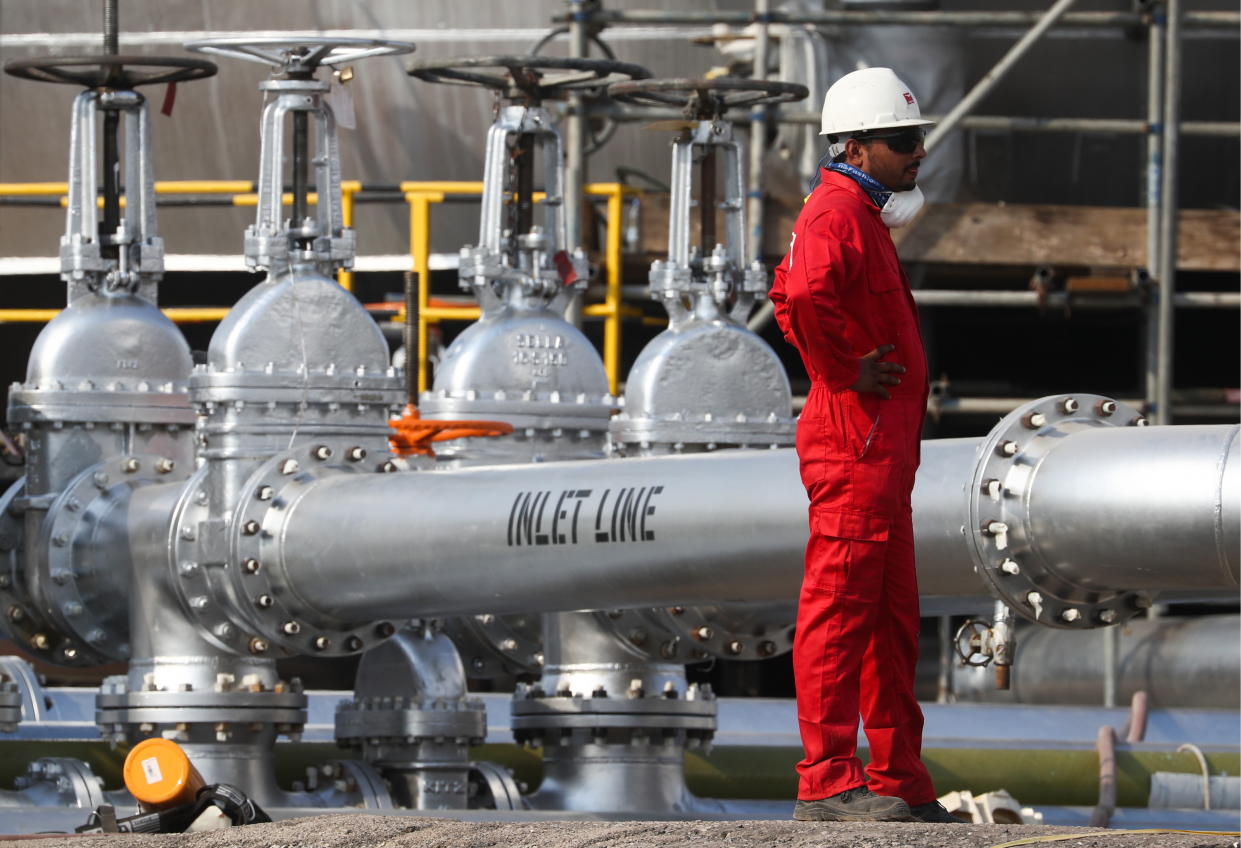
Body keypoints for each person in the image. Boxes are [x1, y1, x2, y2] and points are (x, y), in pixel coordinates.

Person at [769, 67, 959, 824]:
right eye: (903, 141)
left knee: (888, 620)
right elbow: (805, 296)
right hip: (855, 448)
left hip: (879, 455)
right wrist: (846, 366)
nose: (917, 152)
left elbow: (788, 294)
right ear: (856, 145)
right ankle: (825, 783)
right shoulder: (836, 213)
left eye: (918, 138)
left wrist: (846, 363)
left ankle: (898, 780)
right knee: (840, 612)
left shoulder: (854, 214)